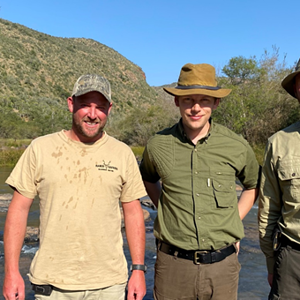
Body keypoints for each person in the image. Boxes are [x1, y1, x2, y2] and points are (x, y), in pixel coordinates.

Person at [3, 74, 147, 300]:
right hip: (52, 285)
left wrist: (138, 270)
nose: (92, 114)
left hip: (109, 285)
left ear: (109, 109)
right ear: (71, 104)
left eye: (99, 107)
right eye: (85, 105)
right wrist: (12, 272)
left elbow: (133, 212)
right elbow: (18, 210)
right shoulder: (40, 149)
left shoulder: (122, 153)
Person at [139, 63, 260, 300]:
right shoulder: (157, 145)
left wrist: (233, 220)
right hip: (172, 267)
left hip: (222, 266)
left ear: (216, 103)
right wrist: (164, 207)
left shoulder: (236, 145)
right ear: (177, 102)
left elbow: (253, 185)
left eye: (204, 100)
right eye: (188, 100)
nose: (196, 107)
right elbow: (148, 179)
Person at [258, 58, 300, 299]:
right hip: (291, 259)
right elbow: (268, 209)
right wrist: (271, 261)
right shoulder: (278, 143)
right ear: (296, 89)